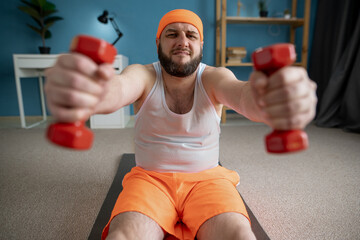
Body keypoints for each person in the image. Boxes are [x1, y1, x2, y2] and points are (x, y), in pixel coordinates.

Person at [44, 9, 317, 240]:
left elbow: (244, 95)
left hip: (208, 179)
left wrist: (269, 98)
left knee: (241, 236)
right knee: (122, 237)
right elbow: (118, 88)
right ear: (158, 42)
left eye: (191, 35)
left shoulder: (214, 77)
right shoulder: (143, 74)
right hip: (150, 179)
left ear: (201, 44)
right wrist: (92, 91)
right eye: (172, 34)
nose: (182, 41)